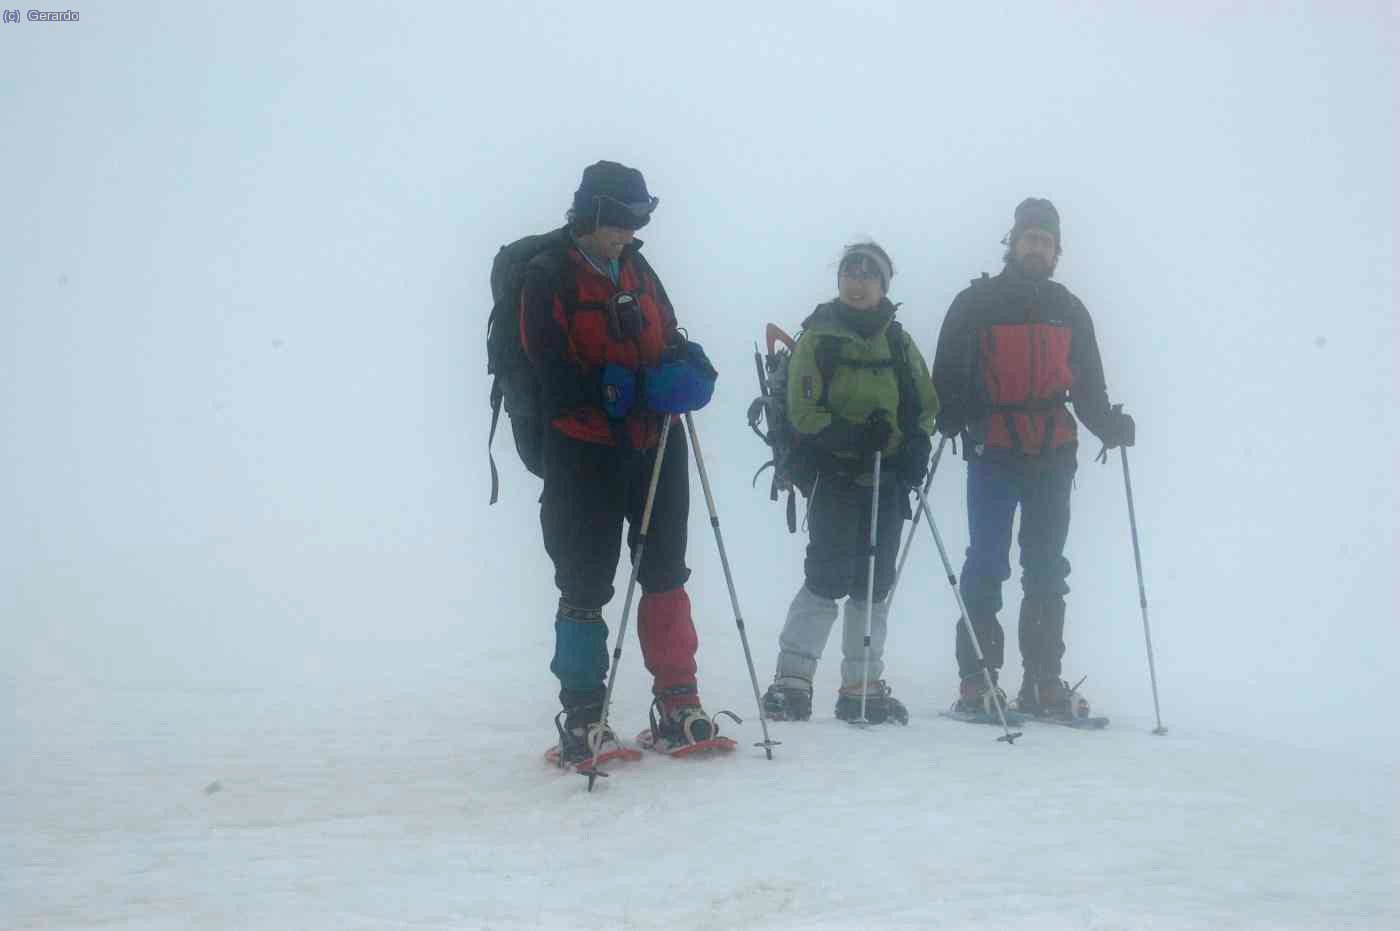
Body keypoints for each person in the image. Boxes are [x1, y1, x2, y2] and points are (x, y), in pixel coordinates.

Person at [520, 161, 719, 762]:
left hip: (655, 442)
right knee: (585, 580)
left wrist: (688, 369)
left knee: (665, 571)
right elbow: (547, 374)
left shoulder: (636, 265)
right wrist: (620, 389)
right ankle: (583, 714)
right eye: (622, 221)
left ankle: (677, 701)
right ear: (593, 213)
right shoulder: (547, 274)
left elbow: (668, 336)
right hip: (582, 451)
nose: (629, 233)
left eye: (638, 221)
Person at [932, 198, 1136, 720]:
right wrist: (950, 412)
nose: (1036, 247)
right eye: (1029, 238)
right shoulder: (976, 302)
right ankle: (978, 679)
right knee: (986, 563)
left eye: (1046, 240)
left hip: (1052, 451)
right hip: (992, 445)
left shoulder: (1069, 310)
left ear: (1057, 250)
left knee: (1046, 568)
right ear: (1013, 241)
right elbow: (945, 375)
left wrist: (1108, 424)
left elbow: (1088, 386)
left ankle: (1042, 680)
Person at [761, 242, 939, 725]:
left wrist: (915, 443)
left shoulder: (898, 342)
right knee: (826, 576)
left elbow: (925, 403)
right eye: (849, 273)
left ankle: (862, 684)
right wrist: (855, 438)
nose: (857, 283)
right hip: (836, 475)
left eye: (868, 275)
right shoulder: (819, 338)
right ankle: (791, 682)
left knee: (874, 583)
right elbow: (803, 412)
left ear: (884, 285)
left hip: (889, 477)